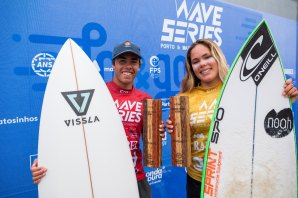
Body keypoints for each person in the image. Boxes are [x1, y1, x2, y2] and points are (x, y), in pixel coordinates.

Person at [159, 38, 298, 198]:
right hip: (197, 181)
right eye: (195, 61)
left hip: (234, 179)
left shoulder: (240, 89)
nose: (202, 64)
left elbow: (264, 122)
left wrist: (285, 99)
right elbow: (182, 146)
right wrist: (171, 130)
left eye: (207, 57)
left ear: (217, 58)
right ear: (191, 68)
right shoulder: (183, 98)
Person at [31, 41, 154, 198]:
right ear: (113, 65)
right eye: (122, 61)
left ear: (139, 65)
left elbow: (152, 143)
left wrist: (160, 132)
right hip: (101, 179)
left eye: (133, 61)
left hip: (135, 177)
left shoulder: (146, 99)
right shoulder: (96, 93)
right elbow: (72, 130)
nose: (128, 66)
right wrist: (46, 162)